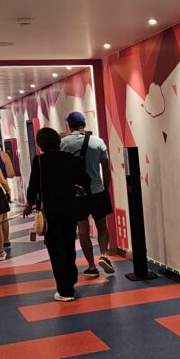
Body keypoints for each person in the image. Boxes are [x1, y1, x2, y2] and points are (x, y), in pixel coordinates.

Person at [25, 127, 90, 301]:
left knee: (56, 249)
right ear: (57, 141)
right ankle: (71, 276)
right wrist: (75, 186)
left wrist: (28, 203)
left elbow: (33, 187)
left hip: (50, 211)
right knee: (69, 244)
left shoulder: (39, 161)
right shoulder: (69, 158)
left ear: (40, 144)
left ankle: (65, 291)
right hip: (69, 208)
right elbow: (85, 179)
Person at [60, 112, 114, 277]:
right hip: (97, 191)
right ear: (84, 124)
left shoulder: (63, 144)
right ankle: (104, 254)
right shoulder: (98, 142)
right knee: (102, 226)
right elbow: (106, 168)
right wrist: (106, 188)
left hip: (77, 194)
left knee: (83, 230)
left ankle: (91, 267)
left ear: (69, 126)